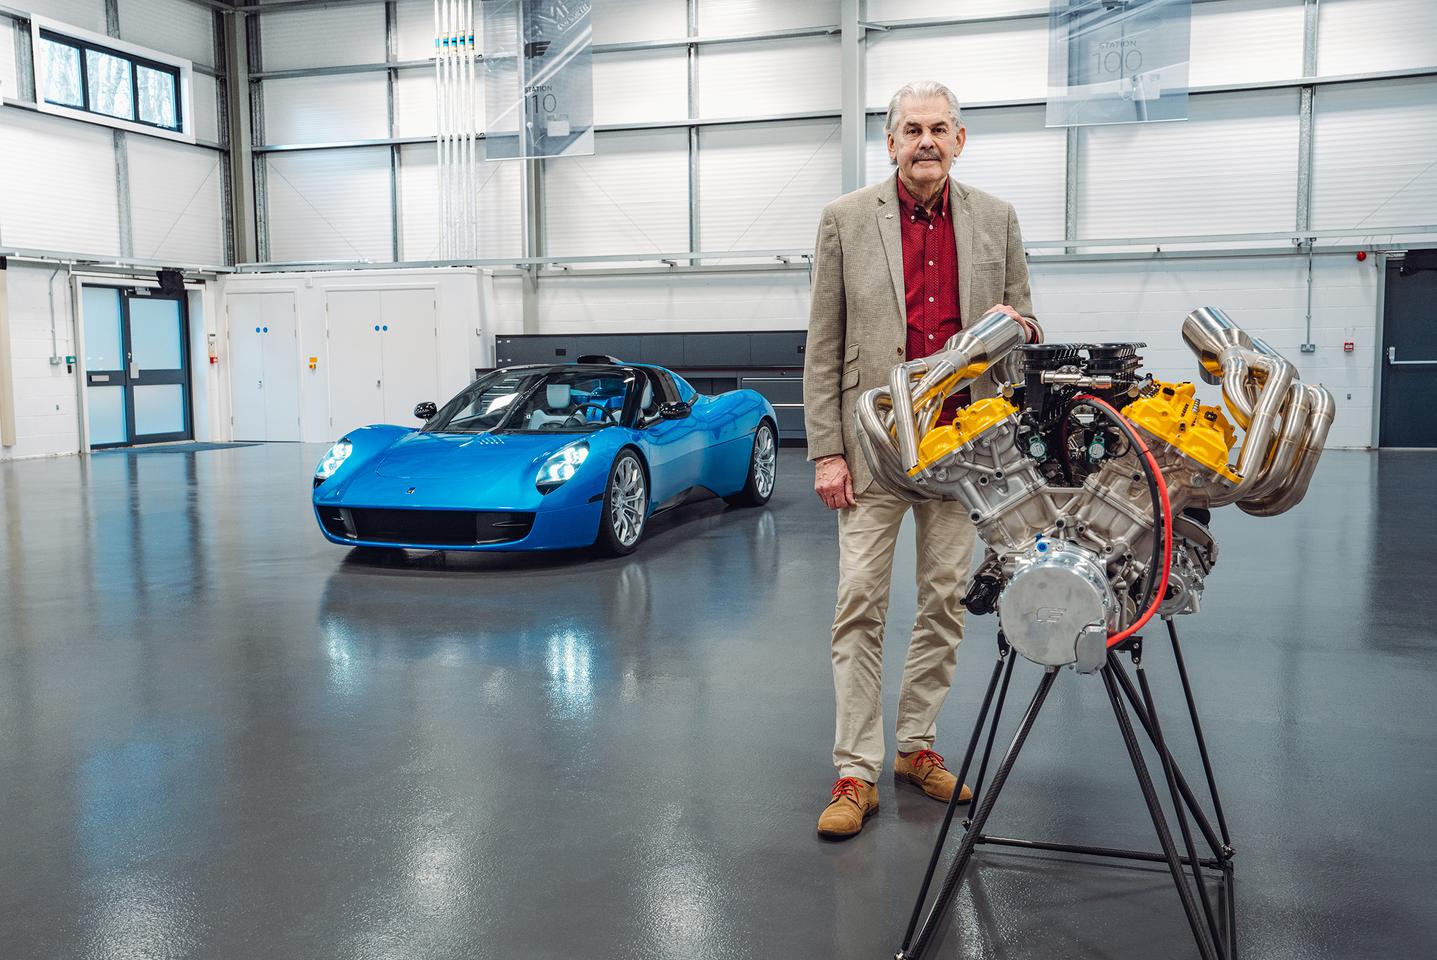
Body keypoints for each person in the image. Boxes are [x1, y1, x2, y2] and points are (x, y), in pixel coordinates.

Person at [803, 80, 1042, 839]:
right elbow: (823, 345)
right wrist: (826, 453)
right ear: (891, 142)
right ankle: (854, 769)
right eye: (911, 130)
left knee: (943, 603)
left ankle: (916, 747)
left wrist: (1021, 326)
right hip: (872, 451)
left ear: (960, 139)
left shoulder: (995, 219)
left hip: (960, 450)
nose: (926, 142)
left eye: (939, 128)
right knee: (858, 608)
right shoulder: (844, 220)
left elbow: (1027, 321)